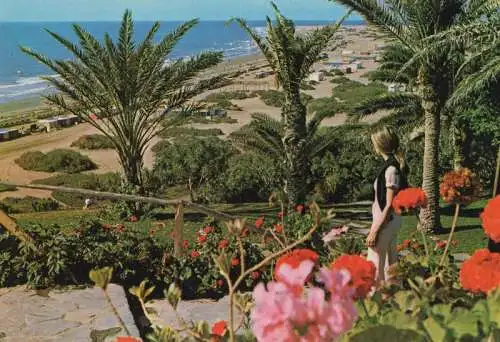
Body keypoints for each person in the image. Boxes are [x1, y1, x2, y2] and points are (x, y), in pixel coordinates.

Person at [366, 127, 408, 283]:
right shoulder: (392, 167)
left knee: (375, 262)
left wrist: (375, 231)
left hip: (385, 221)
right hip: (390, 220)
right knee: (391, 264)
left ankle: (377, 299)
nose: (373, 147)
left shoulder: (390, 170)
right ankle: (394, 298)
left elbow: (389, 204)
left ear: (379, 145)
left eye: (374, 143)